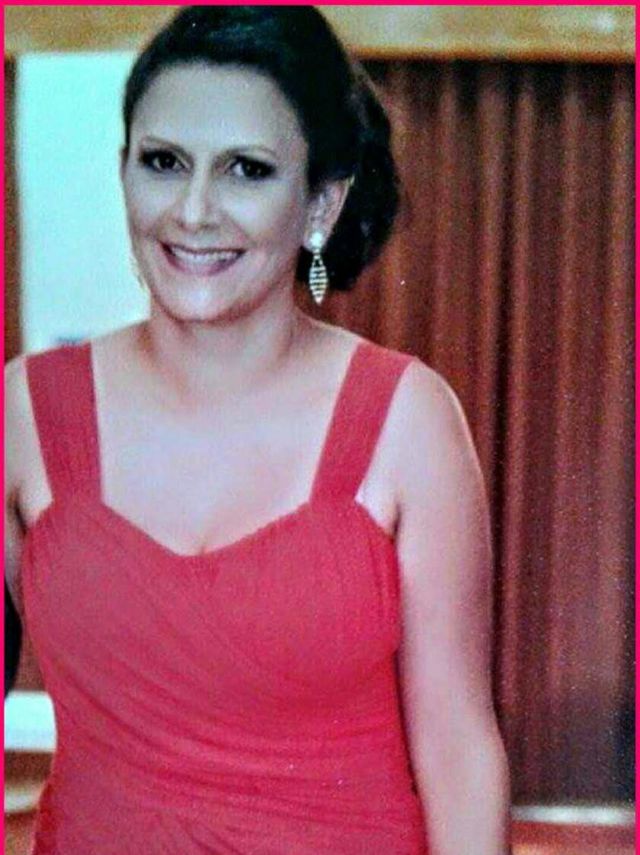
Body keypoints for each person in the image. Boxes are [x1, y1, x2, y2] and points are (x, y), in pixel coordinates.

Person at [4, 6, 510, 853]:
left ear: (321, 203)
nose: (195, 210)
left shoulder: (408, 419)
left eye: (247, 170)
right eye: (164, 162)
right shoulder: (25, 413)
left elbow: (459, 751)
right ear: (123, 171)